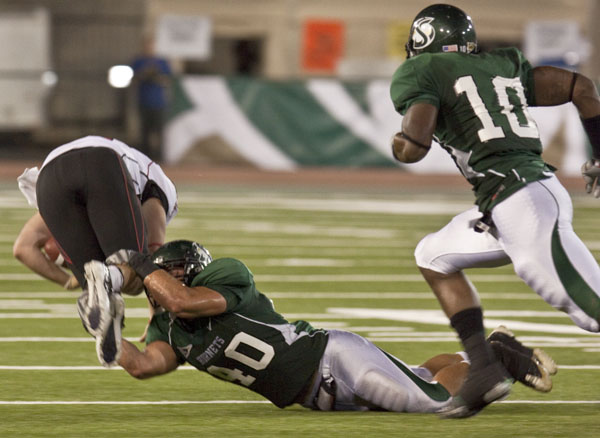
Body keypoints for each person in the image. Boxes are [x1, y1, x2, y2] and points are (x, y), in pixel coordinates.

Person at [389, 3, 598, 418]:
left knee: (594, 312)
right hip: (507, 201)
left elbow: (414, 145)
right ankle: (483, 368)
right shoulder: (502, 64)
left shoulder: (422, 69)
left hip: (524, 203)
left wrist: (400, 142)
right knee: (433, 255)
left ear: (423, 43)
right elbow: (581, 87)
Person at [79, 240, 555, 413]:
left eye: (171, 269)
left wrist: (140, 265)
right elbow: (143, 365)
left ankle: (499, 360)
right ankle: (485, 351)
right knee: (421, 374)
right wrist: (108, 336)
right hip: (314, 396)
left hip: (330, 356)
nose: (165, 281)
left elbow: (182, 300)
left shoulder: (224, 275)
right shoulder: (171, 332)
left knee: (440, 402)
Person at [15, 135, 178, 345]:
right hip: (102, 165)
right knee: (135, 273)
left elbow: (24, 247)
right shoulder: (163, 190)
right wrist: (158, 315)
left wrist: (70, 281)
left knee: (99, 295)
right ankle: (107, 282)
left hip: (50, 176)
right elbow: (152, 258)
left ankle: (111, 331)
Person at [131, 37, 172, 161]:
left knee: (159, 132)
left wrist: (156, 76)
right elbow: (134, 79)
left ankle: (160, 159)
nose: (149, 48)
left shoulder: (162, 62)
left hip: (158, 103)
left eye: (152, 45)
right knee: (145, 132)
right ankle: (144, 158)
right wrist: (144, 74)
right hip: (144, 102)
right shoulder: (138, 62)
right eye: (147, 45)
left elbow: (168, 80)